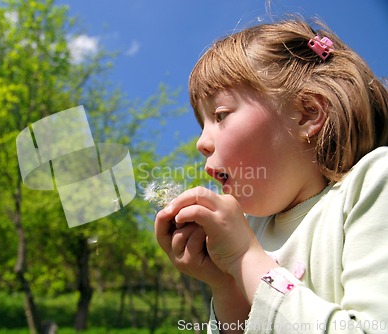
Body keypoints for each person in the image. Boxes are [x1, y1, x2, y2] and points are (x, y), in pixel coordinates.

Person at [155, 17, 388, 333]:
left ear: (306, 114)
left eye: (220, 115)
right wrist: (225, 283)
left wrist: (244, 257)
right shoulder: (253, 229)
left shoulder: (373, 183)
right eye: (202, 125)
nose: (200, 143)